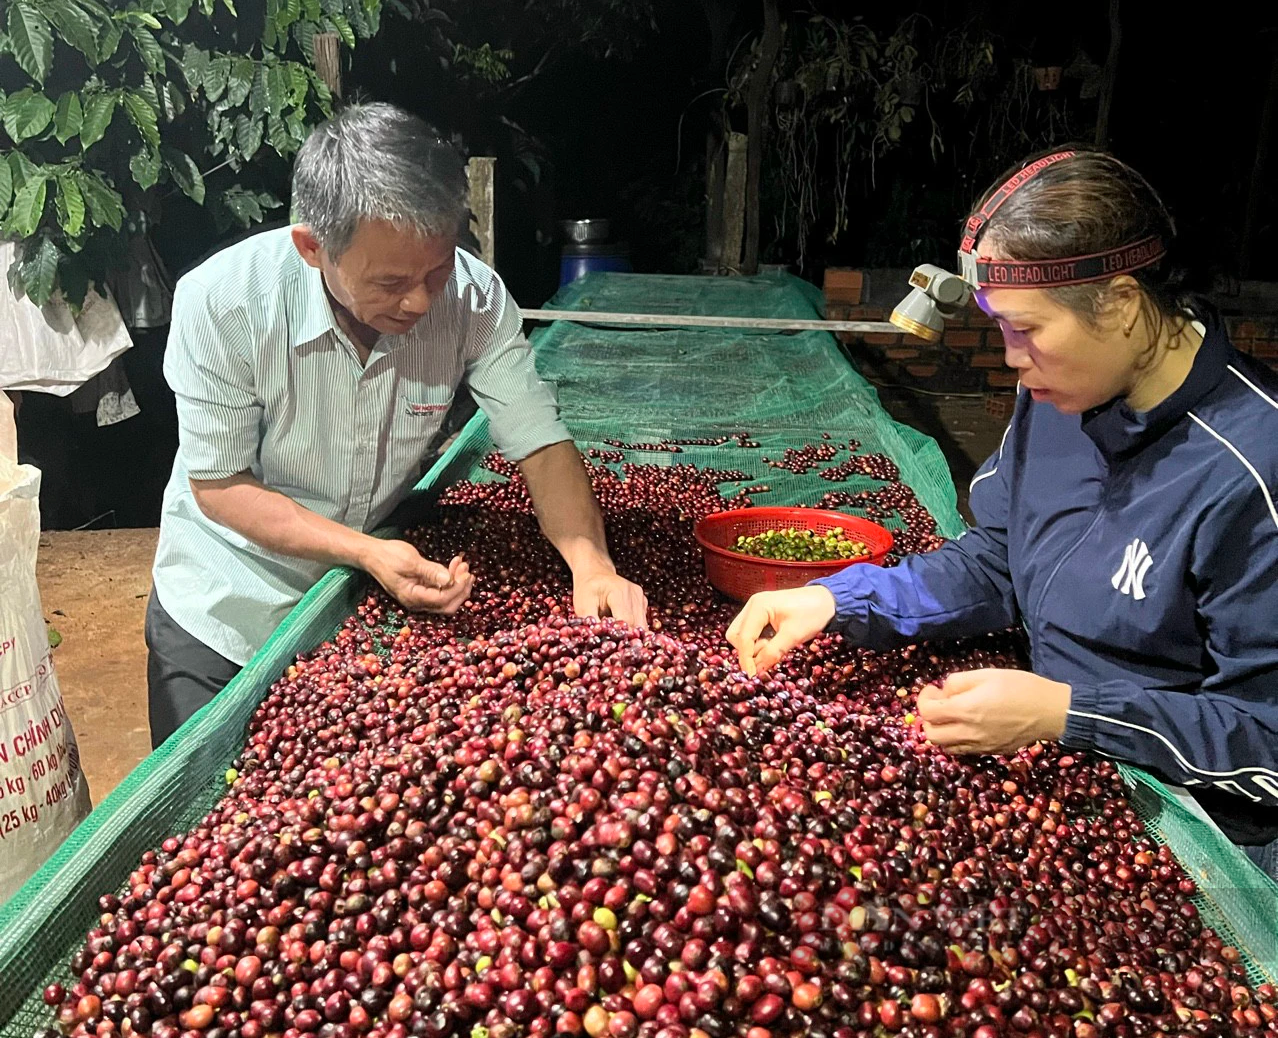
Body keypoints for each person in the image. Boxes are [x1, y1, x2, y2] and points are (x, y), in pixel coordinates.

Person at [727, 149, 1278, 878]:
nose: (1012, 359)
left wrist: (1066, 713)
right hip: (1067, 778)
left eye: (1026, 329)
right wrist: (840, 598)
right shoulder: (1059, 396)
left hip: (1211, 843)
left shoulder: (1253, 469)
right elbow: (1000, 560)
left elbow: (1265, 738)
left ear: (1117, 302)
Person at [148, 102, 647, 747]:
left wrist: (591, 563)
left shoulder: (473, 299)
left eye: (436, 269)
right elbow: (219, 486)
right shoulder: (223, 303)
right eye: (389, 281)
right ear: (311, 247)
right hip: (227, 608)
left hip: (356, 616)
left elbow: (539, 443)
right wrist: (365, 551)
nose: (419, 300)